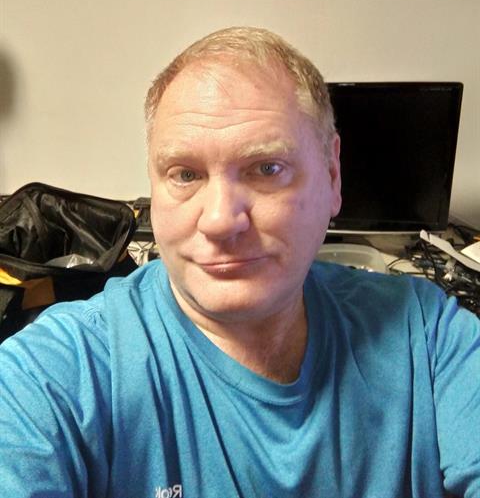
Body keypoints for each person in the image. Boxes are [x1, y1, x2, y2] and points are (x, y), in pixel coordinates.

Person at [0, 26, 479, 498]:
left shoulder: (427, 333)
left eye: (267, 169)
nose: (219, 220)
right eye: (185, 174)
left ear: (332, 175)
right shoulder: (52, 376)